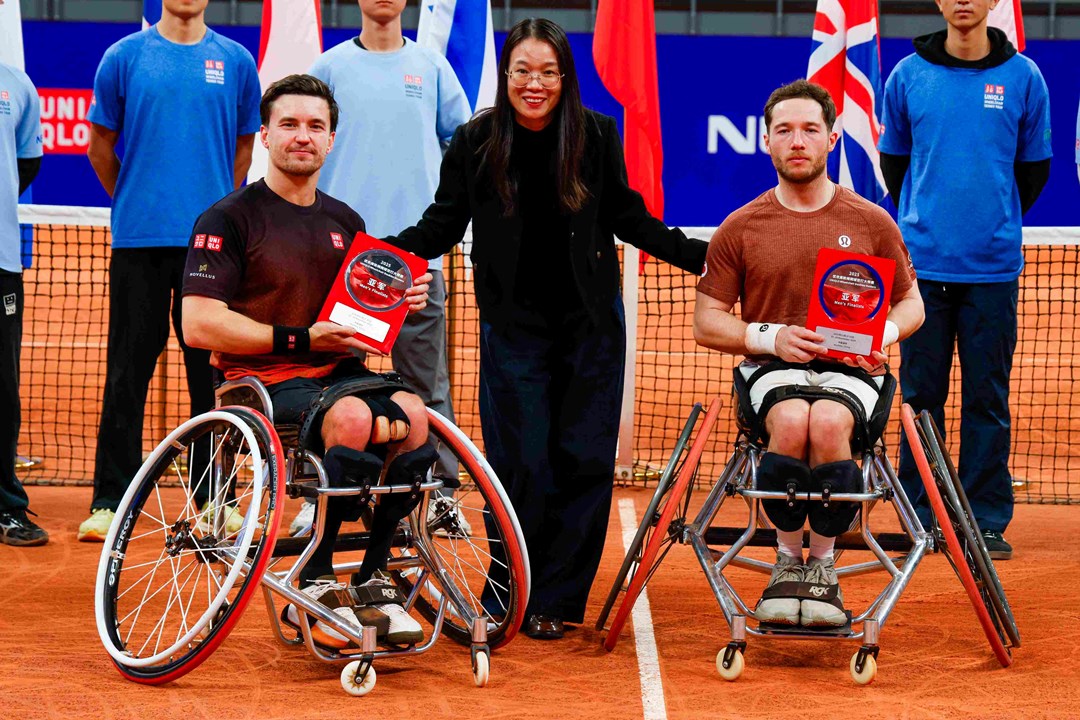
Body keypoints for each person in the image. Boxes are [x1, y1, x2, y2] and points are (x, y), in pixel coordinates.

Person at [388, 18, 707, 640]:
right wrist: (377, 254)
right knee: (519, 466)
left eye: (548, 72)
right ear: (506, 74)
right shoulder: (476, 142)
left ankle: (557, 600)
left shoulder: (594, 136)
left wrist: (701, 256)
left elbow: (627, 215)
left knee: (583, 461)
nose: (535, 84)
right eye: (522, 71)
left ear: (565, 76)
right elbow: (441, 225)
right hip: (512, 332)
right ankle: (511, 589)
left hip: (590, 331)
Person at [182, 74, 435, 647]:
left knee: (415, 416)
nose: (303, 136)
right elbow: (199, 324)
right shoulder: (227, 218)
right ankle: (316, 573)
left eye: (315, 126)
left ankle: (374, 578)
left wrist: (398, 301)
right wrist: (303, 341)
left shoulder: (347, 222)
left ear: (331, 139)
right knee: (353, 421)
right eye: (289, 125)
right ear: (265, 135)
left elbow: (360, 324)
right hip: (258, 382)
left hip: (337, 374)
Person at [694, 80, 924, 627]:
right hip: (772, 371)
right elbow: (707, 321)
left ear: (832, 138)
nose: (797, 141)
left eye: (810, 130)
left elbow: (912, 303)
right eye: (784, 131)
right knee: (796, 417)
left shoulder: (871, 220)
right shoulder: (741, 226)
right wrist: (767, 338)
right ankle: (786, 561)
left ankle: (820, 565)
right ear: (768, 142)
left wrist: (881, 335)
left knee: (827, 423)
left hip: (854, 372)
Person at [80, 0, 262, 541]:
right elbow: (100, 148)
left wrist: (214, 217)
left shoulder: (235, 61)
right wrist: (137, 203)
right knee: (126, 375)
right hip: (139, 243)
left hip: (208, 249)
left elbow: (244, 147)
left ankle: (214, 501)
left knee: (209, 379)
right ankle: (111, 502)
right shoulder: (123, 57)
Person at [879, 0, 1052, 560]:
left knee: (987, 398)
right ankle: (921, 514)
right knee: (920, 397)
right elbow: (895, 164)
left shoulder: (1025, 77)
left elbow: (1032, 171)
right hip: (921, 271)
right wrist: (929, 221)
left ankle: (983, 521)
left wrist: (991, 221)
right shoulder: (907, 76)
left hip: (993, 272)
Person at [291, 0, 472, 537]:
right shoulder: (327, 69)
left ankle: (438, 497)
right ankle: (314, 494)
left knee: (427, 387)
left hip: (416, 264)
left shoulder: (434, 69)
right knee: (321, 385)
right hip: (340, 262)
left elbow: (460, 148)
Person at [0, 60, 46, 547]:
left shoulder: (16, 84)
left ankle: (6, 505)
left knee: (1, 390)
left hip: (1, 259)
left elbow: (25, 163)